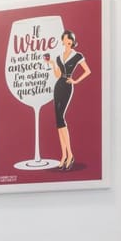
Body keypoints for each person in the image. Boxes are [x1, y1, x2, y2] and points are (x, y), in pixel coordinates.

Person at [44, 30, 91, 170]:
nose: (68, 42)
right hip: (58, 86)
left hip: (67, 87)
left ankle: (70, 155)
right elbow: (58, 74)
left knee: (61, 118)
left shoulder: (77, 56)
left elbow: (88, 71)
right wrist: (52, 64)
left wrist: (76, 81)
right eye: (66, 40)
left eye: (70, 40)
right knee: (58, 120)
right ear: (63, 41)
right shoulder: (59, 57)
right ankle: (63, 155)